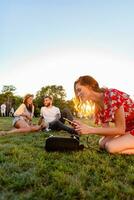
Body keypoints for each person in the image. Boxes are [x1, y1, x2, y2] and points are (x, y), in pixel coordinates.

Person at [73, 75, 134, 154]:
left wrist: (90, 129)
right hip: (128, 129)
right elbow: (106, 131)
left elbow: (120, 129)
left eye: (79, 90)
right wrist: (83, 127)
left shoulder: (112, 95)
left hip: (125, 129)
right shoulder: (97, 107)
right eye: (77, 92)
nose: (78, 94)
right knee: (102, 143)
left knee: (111, 147)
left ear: (89, 86)